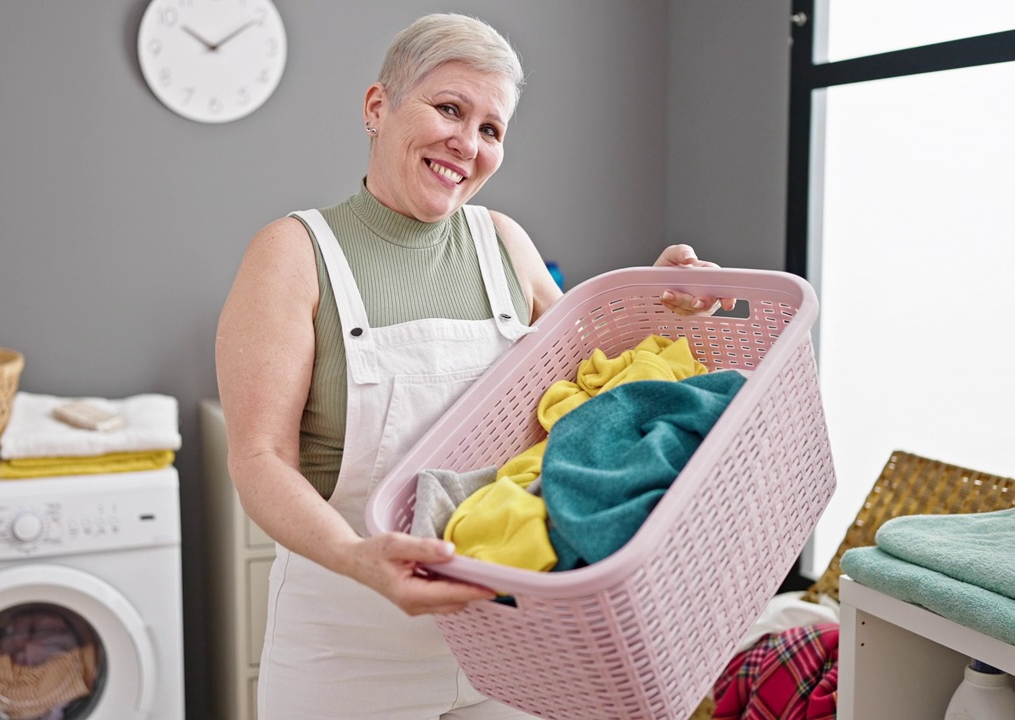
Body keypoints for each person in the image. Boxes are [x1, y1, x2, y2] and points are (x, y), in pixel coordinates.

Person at [215, 13, 731, 719]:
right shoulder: (293, 253)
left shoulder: (502, 242)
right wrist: (358, 557)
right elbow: (259, 459)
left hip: (507, 641)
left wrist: (665, 306)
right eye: (449, 108)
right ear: (378, 108)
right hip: (348, 645)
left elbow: (590, 384)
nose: (467, 143)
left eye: (491, 130)